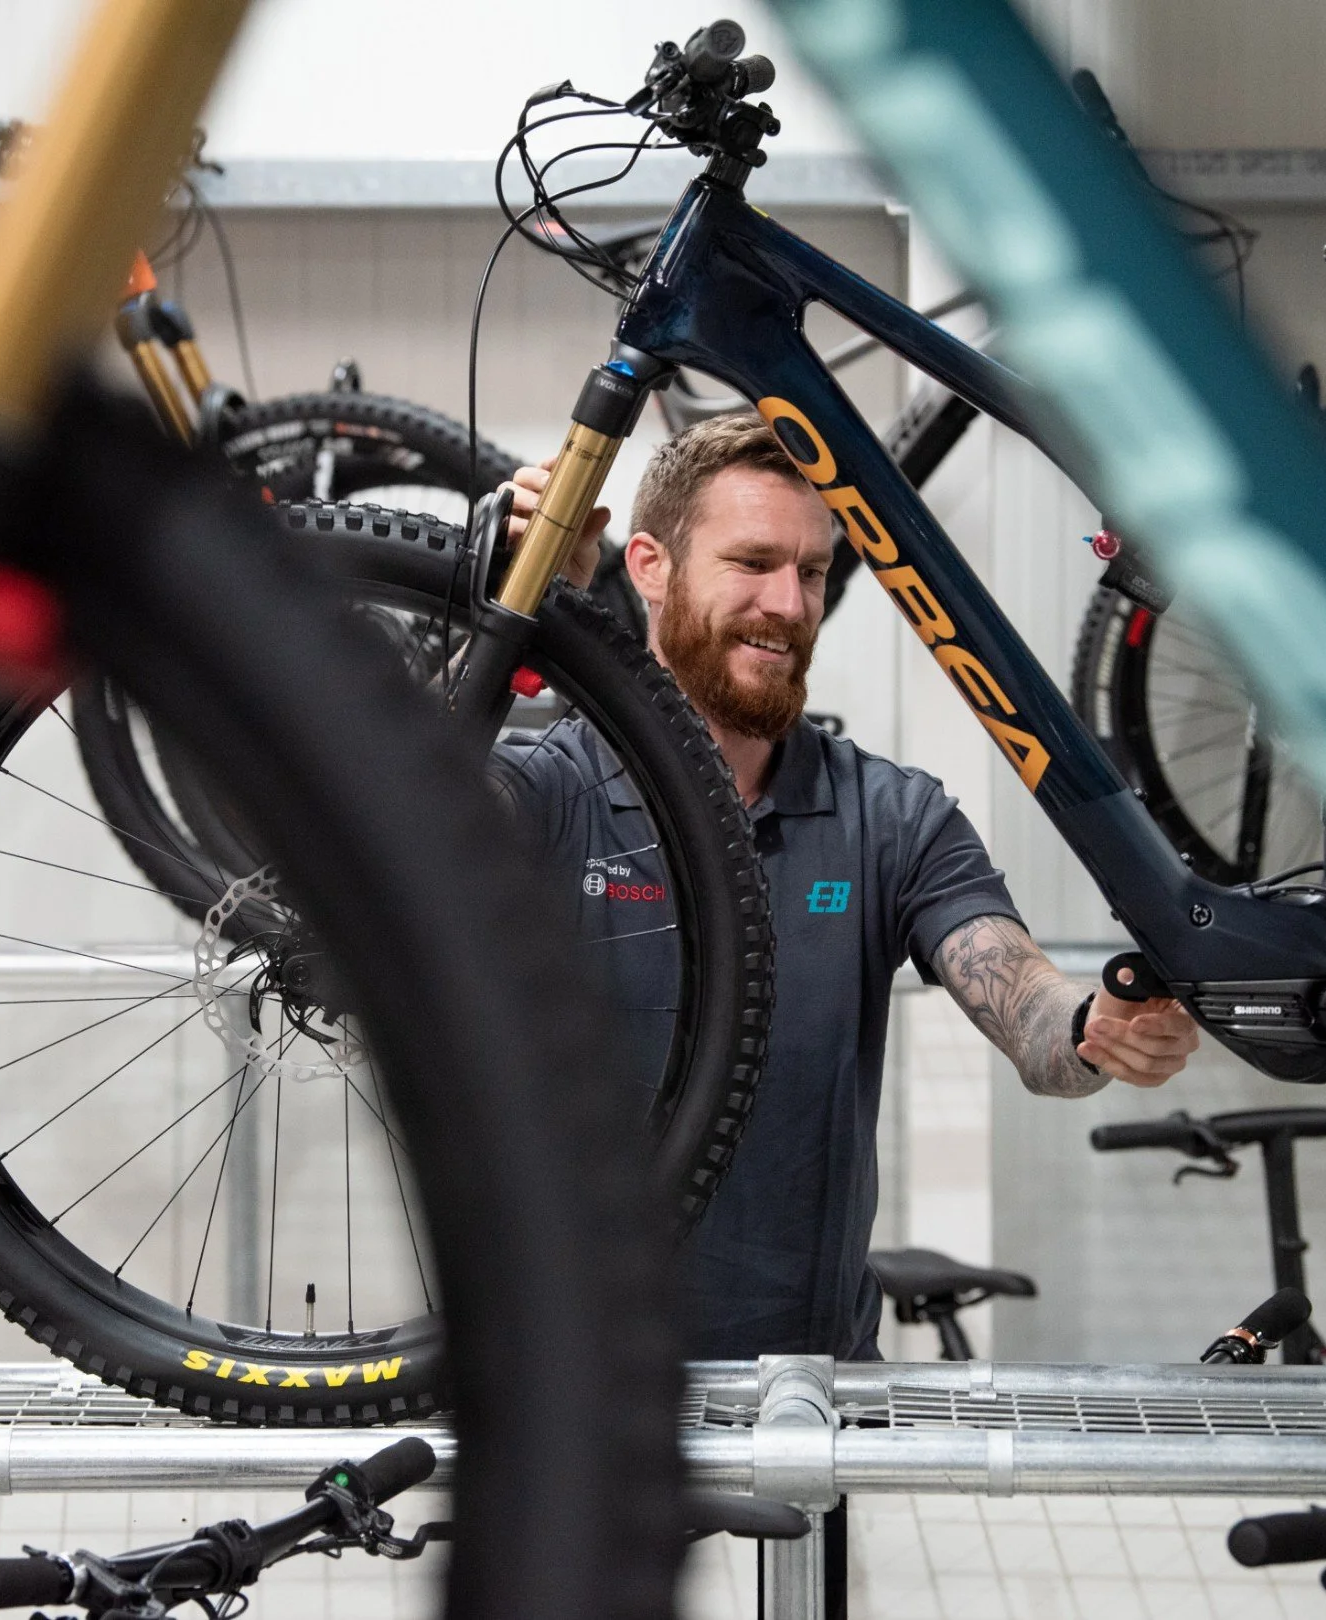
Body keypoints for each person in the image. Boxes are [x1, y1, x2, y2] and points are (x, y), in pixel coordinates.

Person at [499, 414, 1200, 1362]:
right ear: (650, 567)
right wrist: (507, 605)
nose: (789, 604)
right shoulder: (547, 789)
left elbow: (1032, 1015)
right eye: (751, 562)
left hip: (803, 1382)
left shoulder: (889, 817)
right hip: (570, 1375)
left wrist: (1092, 1030)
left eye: (814, 572)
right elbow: (390, 823)